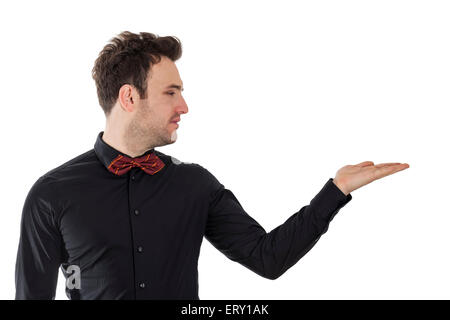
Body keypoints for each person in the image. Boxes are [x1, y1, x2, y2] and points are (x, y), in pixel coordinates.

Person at [14, 31, 409, 300]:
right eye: (171, 92)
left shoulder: (194, 184)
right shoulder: (52, 194)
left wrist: (335, 191)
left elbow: (267, 258)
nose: (184, 107)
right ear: (129, 97)